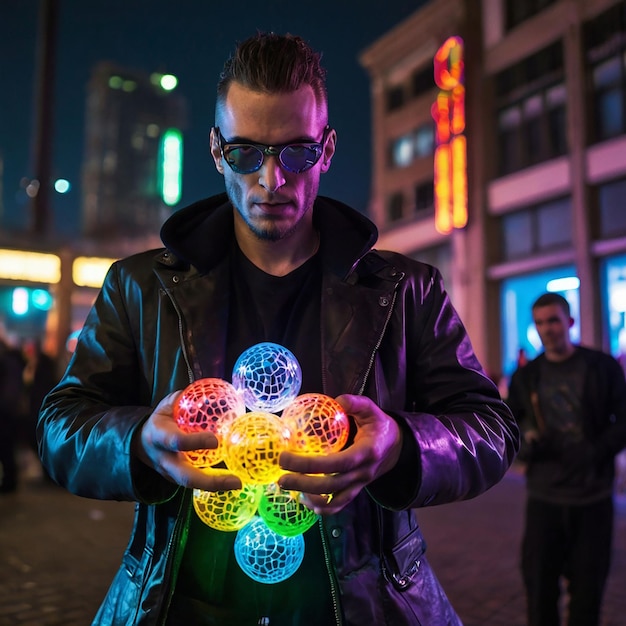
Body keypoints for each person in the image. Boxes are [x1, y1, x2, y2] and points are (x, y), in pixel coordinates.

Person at [38, 32, 519, 625]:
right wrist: (138, 442)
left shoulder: (405, 290)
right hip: (180, 606)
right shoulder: (141, 288)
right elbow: (61, 426)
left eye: (296, 153)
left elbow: (491, 428)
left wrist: (399, 445)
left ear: (329, 148)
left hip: (360, 605)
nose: (272, 180)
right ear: (216, 151)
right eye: (246, 153)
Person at [507, 292, 626, 626]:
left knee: (588, 594)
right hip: (545, 497)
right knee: (540, 590)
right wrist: (527, 447)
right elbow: (511, 426)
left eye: (554, 321)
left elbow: (624, 419)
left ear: (569, 322)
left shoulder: (601, 366)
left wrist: (595, 451)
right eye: (541, 323)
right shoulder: (526, 377)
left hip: (593, 497)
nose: (548, 329)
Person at [0, 331, 25, 493]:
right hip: (10, 408)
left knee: (5, 447)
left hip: (5, 409)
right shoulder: (14, 361)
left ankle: (10, 481)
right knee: (7, 447)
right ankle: (11, 480)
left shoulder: (6, 362)